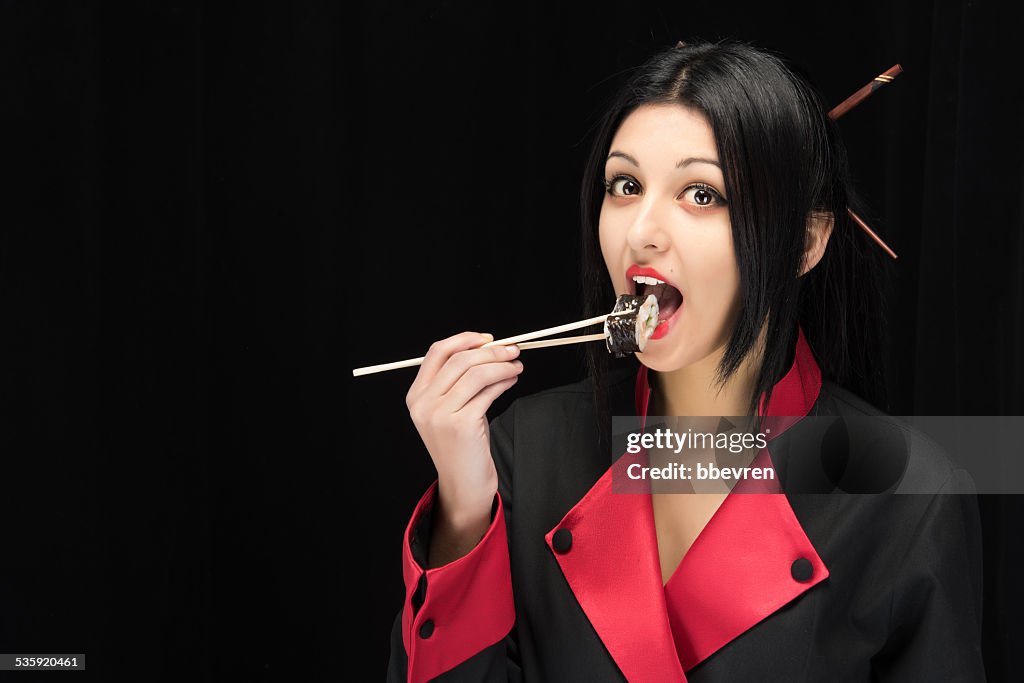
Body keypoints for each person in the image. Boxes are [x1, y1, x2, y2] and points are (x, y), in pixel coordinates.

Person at [387, 39, 985, 682]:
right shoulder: (523, 451)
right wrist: (463, 517)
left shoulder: (909, 494)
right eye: (626, 185)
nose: (642, 229)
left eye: (702, 194)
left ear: (804, 242)